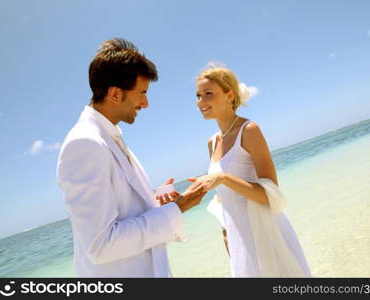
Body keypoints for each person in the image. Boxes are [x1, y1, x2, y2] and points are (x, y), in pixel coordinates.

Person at [56, 38, 206, 277]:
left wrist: (152, 199)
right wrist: (178, 207)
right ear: (115, 94)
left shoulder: (107, 137)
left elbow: (120, 206)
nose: (145, 103)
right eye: (142, 93)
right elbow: (101, 246)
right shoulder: (84, 143)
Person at [189, 65, 311, 277]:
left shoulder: (249, 130)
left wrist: (223, 178)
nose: (201, 102)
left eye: (208, 94)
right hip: (239, 239)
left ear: (229, 95)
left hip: (266, 233)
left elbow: (270, 194)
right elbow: (222, 198)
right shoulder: (212, 142)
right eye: (198, 95)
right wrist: (225, 230)